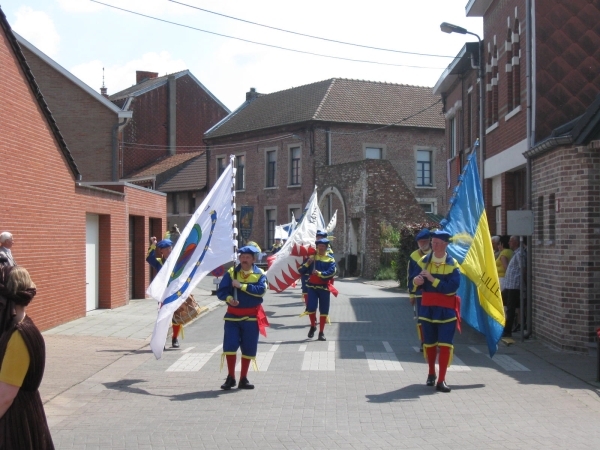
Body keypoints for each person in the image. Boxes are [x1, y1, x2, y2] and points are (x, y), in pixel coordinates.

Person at [0, 266, 54, 449]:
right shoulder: (19, 327)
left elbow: (5, 396)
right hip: (25, 416)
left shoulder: (19, 337)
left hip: (15, 422)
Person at [409, 230, 461, 393]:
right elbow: (414, 282)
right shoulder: (424, 261)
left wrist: (432, 279)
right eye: (433, 243)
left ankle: (442, 379)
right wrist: (416, 282)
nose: (434, 245)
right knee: (429, 344)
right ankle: (431, 373)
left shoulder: (453, 264)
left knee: (445, 345)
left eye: (438, 243)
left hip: (446, 309)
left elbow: (451, 288)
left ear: (446, 245)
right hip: (428, 309)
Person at [217, 245, 268, 390]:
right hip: (232, 316)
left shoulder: (260, 274)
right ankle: (231, 377)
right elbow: (221, 291)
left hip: (251, 317)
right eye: (242, 257)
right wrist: (229, 299)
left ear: (253, 259)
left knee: (249, 347)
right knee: (230, 346)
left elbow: (261, 291)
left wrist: (242, 286)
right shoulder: (231, 272)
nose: (244, 260)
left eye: (247, 257)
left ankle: (243, 378)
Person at [146, 236, 182, 348]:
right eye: (166, 249)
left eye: (170, 248)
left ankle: (175, 338)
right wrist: (153, 244)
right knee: (163, 318)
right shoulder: (159, 262)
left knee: (178, 317)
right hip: (163, 295)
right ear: (161, 250)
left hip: (176, 292)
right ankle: (161, 342)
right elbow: (148, 258)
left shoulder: (177, 261)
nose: (169, 250)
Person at [298, 237, 337, 341]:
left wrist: (320, 274)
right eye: (319, 246)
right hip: (312, 287)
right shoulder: (312, 257)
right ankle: (312, 326)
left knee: (324, 310)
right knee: (311, 308)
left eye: (323, 246)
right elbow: (300, 270)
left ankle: (321, 332)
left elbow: (332, 272)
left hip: (324, 288)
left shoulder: (330, 259)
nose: (321, 248)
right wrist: (307, 263)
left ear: (326, 247)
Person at [407, 228, 431, 352]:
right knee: (421, 320)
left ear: (429, 241)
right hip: (419, 294)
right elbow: (410, 276)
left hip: (433, 293)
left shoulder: (436, 254)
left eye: (423, 242)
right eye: (419, 243)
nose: (421, 245)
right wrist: (411, 294)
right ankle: (423, 341)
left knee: (434, 318)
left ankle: (434, 340)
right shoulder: (413, 256)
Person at [502, 237, 525, 337]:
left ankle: (507, 331)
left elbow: (523, 269)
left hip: (514, 285)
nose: (509, 243)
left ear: (515, 242)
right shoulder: (515, 253)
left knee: (510, 308)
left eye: (510, 241)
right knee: (502, 302)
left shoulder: (520, 254)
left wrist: (524, 283)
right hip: (509, 285)